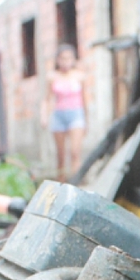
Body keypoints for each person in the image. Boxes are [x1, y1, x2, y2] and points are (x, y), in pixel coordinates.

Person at [43, 44, 88, 179]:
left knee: (75, 152)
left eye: (69, 58)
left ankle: (76, 183)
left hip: (76, 114)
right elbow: (47, 99)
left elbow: (84, 100)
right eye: (62, 58)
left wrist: (86, 120)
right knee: (60, 155)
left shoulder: (79, 76)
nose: (66, 62)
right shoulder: (52, 77)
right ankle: (61, 185)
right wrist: (44, 115)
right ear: (57, 60)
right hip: (59, 115)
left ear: (74, 59)